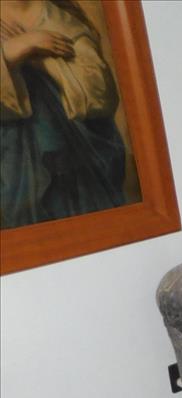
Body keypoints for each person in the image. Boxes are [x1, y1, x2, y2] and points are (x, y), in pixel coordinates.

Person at [0, 0, 130, 228]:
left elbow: (101, 91)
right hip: (12, 160)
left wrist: (43, 62)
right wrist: (13, 51)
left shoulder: (60, 18)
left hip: (75, 158)